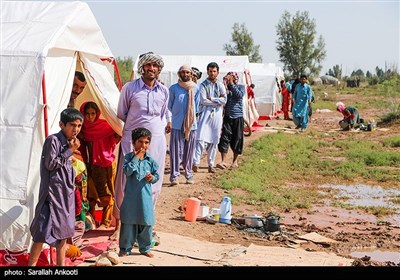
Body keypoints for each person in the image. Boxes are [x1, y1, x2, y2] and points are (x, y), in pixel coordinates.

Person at [111, 52, 170, 242]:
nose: (151, 69)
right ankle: (119, 226)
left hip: (156, 142)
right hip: (131, 141)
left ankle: (146, 227)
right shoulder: (130, 89)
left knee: (152, 181)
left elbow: (161, 116)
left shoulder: (164, 91)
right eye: (148, 65)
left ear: (158, 69)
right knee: (126, 181)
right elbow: (122, 113)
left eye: (155, 66)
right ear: (142, 68)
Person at [28, 108, 83, 266]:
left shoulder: (71, 143)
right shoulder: (53, 141)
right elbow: (51, 164)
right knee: (40, 235)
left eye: (79, 126)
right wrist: (69, 151)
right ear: (61, 124)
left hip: (65, 198)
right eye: (72, 125)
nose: (76, 129)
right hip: (51, 198)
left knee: (63, 238)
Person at [79, 101, 121, 229]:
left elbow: (118, 133)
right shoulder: (82, 129)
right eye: (87, 114)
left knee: (107, 193)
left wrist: (107, 148)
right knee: (90, 194)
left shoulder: (105, 126)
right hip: (90, 165)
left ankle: (105, 222)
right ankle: (91, 221)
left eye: (93, 114)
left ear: (97, 114)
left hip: (106, 164)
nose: (90, 117)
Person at [119, 127, 159, 258]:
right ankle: (125, 248)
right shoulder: (128, 158)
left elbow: (156, 175)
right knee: (128, 223)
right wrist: (136, 158)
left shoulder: (150, 161)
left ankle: (145, 248)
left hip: (145, 198)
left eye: (146, 142)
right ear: (133, 142)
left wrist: (152, 178)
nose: (143, 145)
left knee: (146, 222)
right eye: (140, 142)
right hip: (131, 198)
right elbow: (128, 171)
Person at [168, 65, 200, 186]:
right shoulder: (173, 88)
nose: (185, 74)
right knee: (175, 151)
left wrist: (190, 117)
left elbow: (197, 106)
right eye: (183, 72)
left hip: (191, 125)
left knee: (189, 151)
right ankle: (174, 176)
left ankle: (188, 174)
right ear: (179, 74)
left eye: (187, 72)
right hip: (177, 123)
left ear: (191, 74)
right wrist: (177, 115)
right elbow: (169, 106)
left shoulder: (195, 88)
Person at [192, 62, 226, 173]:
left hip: (217, 115)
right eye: (210, 71)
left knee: (214, 140)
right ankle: (195, 162)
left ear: (218, 72)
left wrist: (212, 99)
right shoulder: (203, 85)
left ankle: (211, 164)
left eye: (214, 71)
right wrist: (217, 100)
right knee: (200, 138)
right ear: (207, 72)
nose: (212, 73)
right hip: (205, 114)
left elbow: (224, 100)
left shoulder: (220, 85)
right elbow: (203, 100)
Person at [217, 72, 245, 169]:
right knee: (224, 138)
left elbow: (239, 95)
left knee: (237, 139)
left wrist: (232, 84)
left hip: (238, 117)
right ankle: (223, 161)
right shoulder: (225, 88)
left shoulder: (241, 87)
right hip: (227, 117)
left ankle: (235, 161)